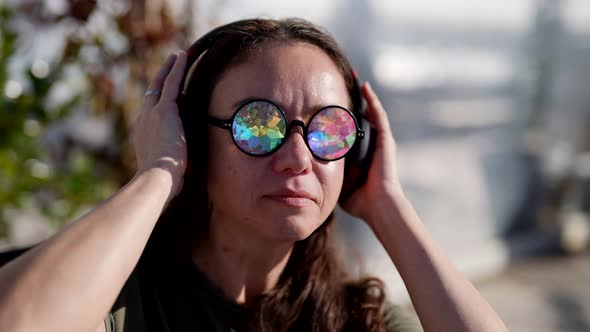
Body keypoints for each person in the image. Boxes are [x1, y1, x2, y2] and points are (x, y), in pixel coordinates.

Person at [0, 18, 508, 332]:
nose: (297, 157)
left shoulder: (359, 321)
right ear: (194, 138)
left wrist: (388, 205)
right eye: (257, 124)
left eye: (329, 129)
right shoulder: (115, 302)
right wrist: (158, 172)